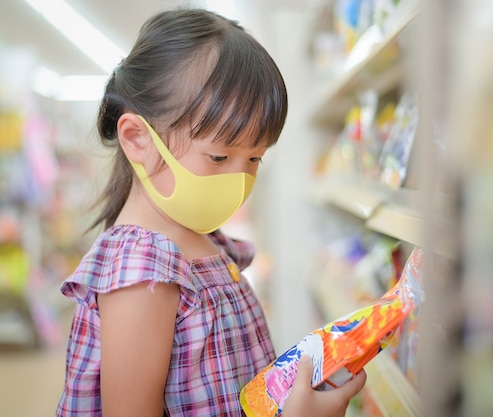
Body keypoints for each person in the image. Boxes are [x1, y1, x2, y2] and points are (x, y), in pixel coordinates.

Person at [56, 7, 366, 417]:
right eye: (219, 156)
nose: (238, 180)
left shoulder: (204, 239)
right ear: (137, 140)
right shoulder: (142, 267)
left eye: (255, 159)